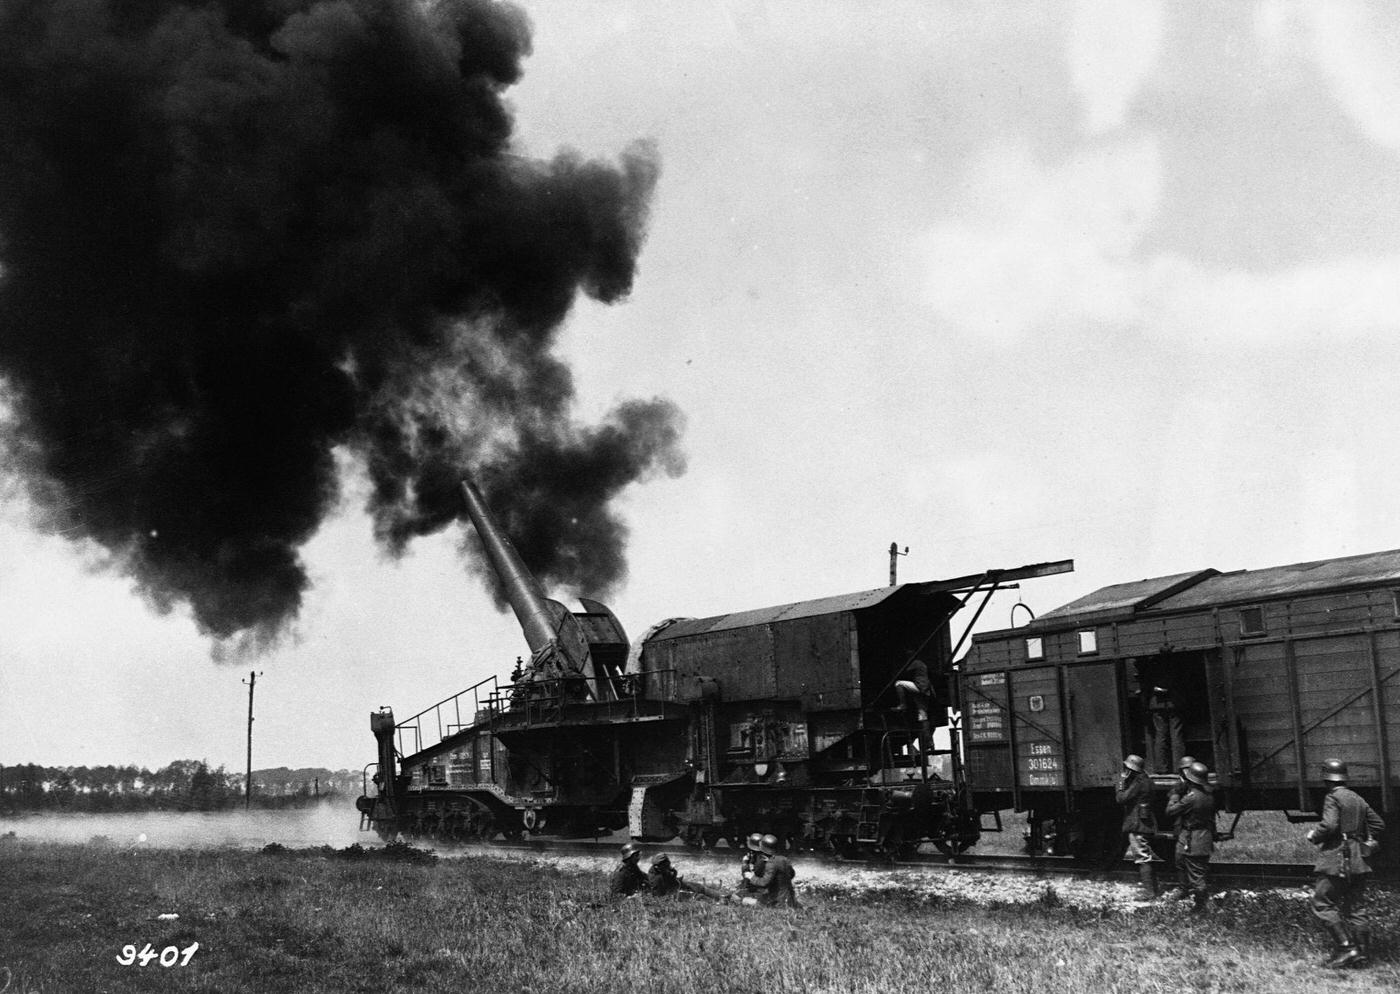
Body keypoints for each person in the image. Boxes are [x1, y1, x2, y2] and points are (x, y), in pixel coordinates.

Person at [1305, 759, 1386, 969]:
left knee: (1322, 902)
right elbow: (1378, 823)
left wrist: (1315, 835)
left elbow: (1329, 825)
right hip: (1359, 859)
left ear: (1327, 779)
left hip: (1338, 858)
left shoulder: (1333, 797)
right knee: (1356, 908)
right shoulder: (1357, 798)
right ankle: (1363, 953)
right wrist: (1362, 836)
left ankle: (1346, 949)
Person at [1163, 761, 1214, 911]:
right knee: (1180, 860)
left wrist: (1175, 795)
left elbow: (1170, 811)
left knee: (1197, 875)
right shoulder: (1208, 794)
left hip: (1194, 838)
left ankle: (1202, 907)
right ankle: (1183, 889)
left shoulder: (1191, 798)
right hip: (1195, 835)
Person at [1115, 754, 1159, 901]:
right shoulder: (1148, 781)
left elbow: (1121, 798)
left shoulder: (1138, 783)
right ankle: (1154, 890)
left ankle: (1149, 893)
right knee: (1145, 856)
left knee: (1142, 857)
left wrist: (1121, 782)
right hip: (1145, 822)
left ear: (1131, 769)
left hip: (1137, 824)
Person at [893, 657, 935, 754]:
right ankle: (929, 742)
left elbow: (904, 671)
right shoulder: (923, 664)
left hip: (920, 687)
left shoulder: (916, 662)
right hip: (926, 690)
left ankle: (903, 704)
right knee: (923, 716)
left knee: (898, 683)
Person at [645, 852, 728, 901]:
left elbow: (670, 878)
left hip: (676, 886)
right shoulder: (656, 879)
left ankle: (722, 896)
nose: (669, 867)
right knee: (699, 896)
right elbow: (660, 896)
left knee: (699, 887)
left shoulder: (659, 869)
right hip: (672, 894)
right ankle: (720, 901)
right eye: (667, 866)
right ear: (659, 866)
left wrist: (673, 874)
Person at [748, 833, 799, 908]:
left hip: (778, 902)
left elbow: (764, 883)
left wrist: (751, 877)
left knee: (742, 899)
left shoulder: (771, 863)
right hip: (790, 899)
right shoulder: (784, 859)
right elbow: (791, 874)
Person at [1147, 683, 1185, 774]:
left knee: (1160, 735)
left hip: (1157, 702)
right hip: (1175, 700)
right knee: (1177, 735)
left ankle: (1161, 768)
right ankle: (1179, 767)